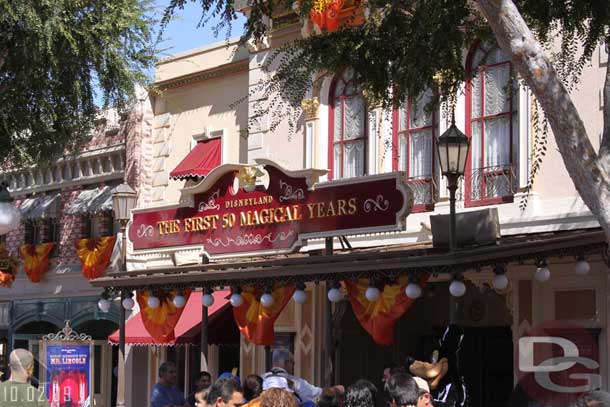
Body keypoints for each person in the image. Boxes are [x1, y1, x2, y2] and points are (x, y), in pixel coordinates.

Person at [263, 349, 344, 403]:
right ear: (287, 363)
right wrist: (336, 389)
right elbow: (318, 393)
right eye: (293, 363)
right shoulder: (295, 383)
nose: (293, 366)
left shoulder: (261, 379)